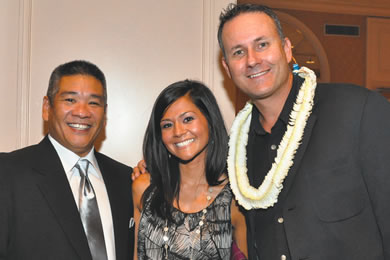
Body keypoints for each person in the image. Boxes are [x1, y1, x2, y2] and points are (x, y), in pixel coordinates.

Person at [218, 3, 390, 260]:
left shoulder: (357, 111)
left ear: (286, 49)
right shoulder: (238, 150)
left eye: (262, 44)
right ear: (227, 66)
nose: (252, 60)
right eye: (238, 52)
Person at [0, 60, 134, 260]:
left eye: (94, 103)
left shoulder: (126, 179)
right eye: (70, 100)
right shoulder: (8, 172)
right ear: (47, 107)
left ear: (104, 113)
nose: (82, 112)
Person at [132, 80, 247, 259]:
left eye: (188, 119)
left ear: (209, 120)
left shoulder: (235, 198)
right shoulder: (144, 189)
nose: (178, 131)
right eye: (167, 125)